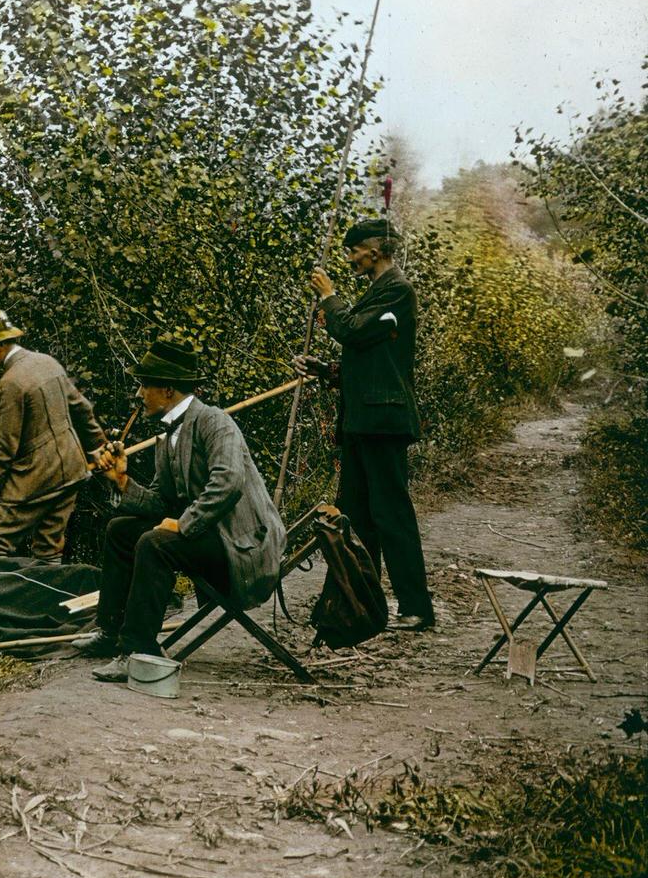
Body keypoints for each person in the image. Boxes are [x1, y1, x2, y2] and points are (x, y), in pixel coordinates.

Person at [79, 338, 287, 681]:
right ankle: (111, 633)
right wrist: (121, 482)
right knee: (121, 531)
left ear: (168, 389)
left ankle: (137, 650)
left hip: (242, 546)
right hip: (211, 536)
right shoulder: (168, 435)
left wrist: (184, 524)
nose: (139, 393)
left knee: (155, 543)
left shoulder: (214, 422)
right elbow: (160, 502)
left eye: (145, 385)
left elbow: (229, 482)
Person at [297, 217, 435, 632]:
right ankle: (356, 602)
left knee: (391, 516)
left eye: (354, 251)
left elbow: (353, 332)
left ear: (374, 251)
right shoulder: (380, 291)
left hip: (382, 423)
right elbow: (372, 360)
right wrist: (325, 370)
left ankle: (416, 608)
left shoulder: (397, 290)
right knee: (353, 516)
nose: (350, 259)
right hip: (362, 421)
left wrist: (329, 297)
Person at [0, 309, 108, 562]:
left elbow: (4, 447)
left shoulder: (10, 384)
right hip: (71, 471)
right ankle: (48, 600)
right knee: (49, 548)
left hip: (35, 480)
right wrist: (98, 446)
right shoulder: (47, 362)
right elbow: (82, 408)